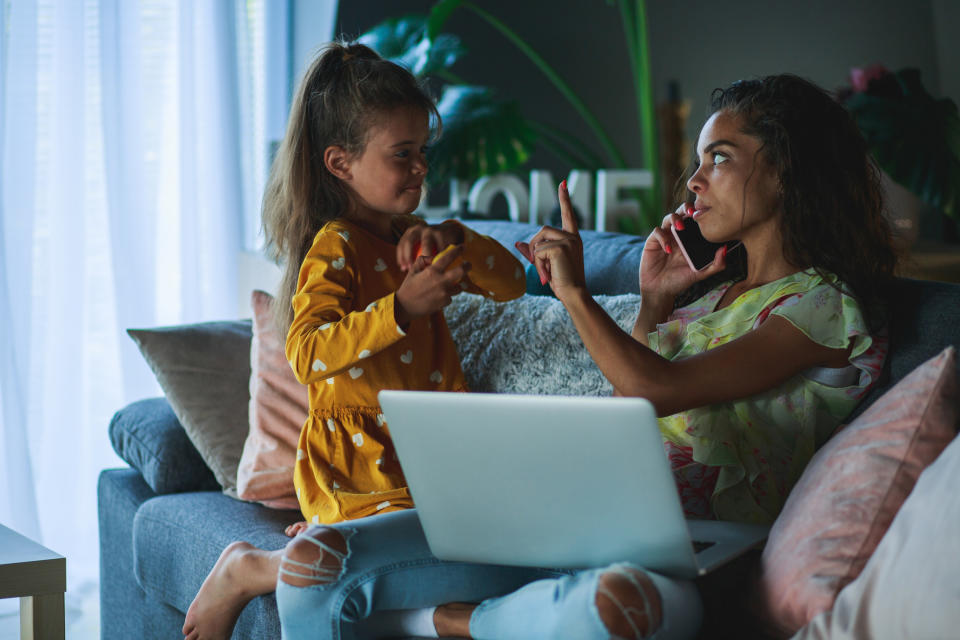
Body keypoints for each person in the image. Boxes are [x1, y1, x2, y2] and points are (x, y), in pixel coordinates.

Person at [267, 73, 897, 640]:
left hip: (687, 546)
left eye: (720, 159)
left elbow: (658, 389)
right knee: (312, 570)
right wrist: (651, 305)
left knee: (619, 604)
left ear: (788, 171)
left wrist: (573, 291)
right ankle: (472, 614)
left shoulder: (819, 306)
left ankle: (458, 621)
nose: (694, 181)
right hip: (591, 521)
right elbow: (630, 408)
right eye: (698, 161)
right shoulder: (712, 300)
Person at [181, 42, 525, 640]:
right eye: (402, 154)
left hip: (433, 458)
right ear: (340, 163)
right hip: (360, 467)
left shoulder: (419, 238)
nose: (420, 168)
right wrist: (400, 308)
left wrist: (456, 239)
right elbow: (307, 353)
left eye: (422, 152)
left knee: (476, 553)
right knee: (395, 563)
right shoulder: (335, 245)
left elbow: (514, 284)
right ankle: (249, 569)